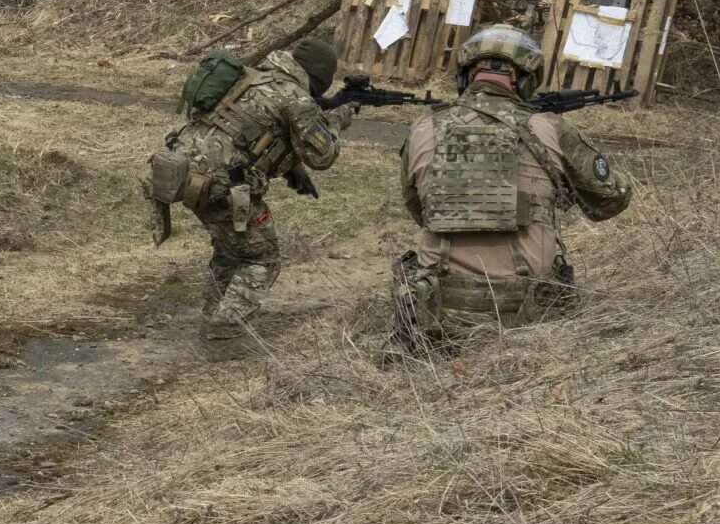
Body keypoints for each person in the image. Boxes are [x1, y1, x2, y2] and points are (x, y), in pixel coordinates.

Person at [392, 24, 632, 348]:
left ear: (464, 76)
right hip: (525, 313)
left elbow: (419, 211)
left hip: (435, 310)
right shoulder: (550, 128)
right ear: (528, 79)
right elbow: (611, 200)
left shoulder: (423, 128)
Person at [152, 34, 350, 355]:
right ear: (319, 77)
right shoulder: (296, 99)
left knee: (231, 252)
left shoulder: (254, 77)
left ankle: (212, 319)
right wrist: (337, 122)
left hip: (185, 171)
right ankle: (224, 334)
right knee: (263, 259)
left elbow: (260, 134)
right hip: (223, 185)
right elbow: (322, 156)